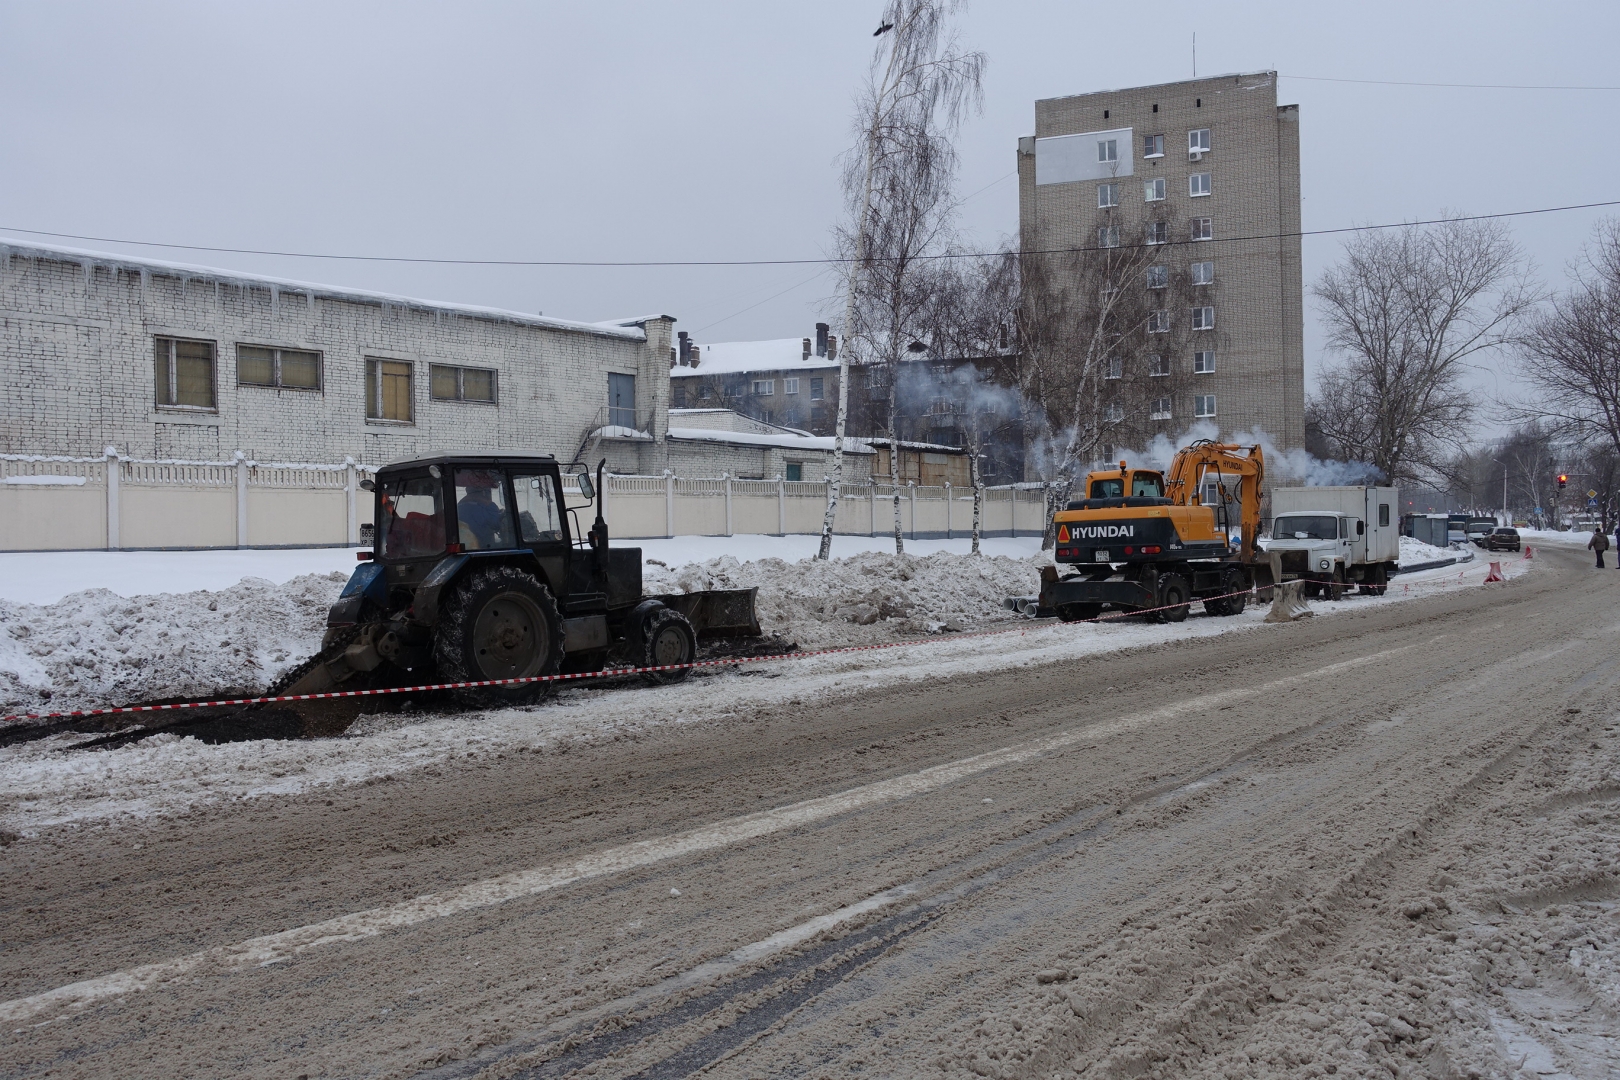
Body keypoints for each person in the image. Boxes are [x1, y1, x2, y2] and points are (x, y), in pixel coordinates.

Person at [457, 474, 507, 549]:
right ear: (483, 491)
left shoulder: (459, 506)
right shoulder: (488, 505)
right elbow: (496, 525)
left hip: (465, 546)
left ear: (467, 490)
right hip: (484, 547)